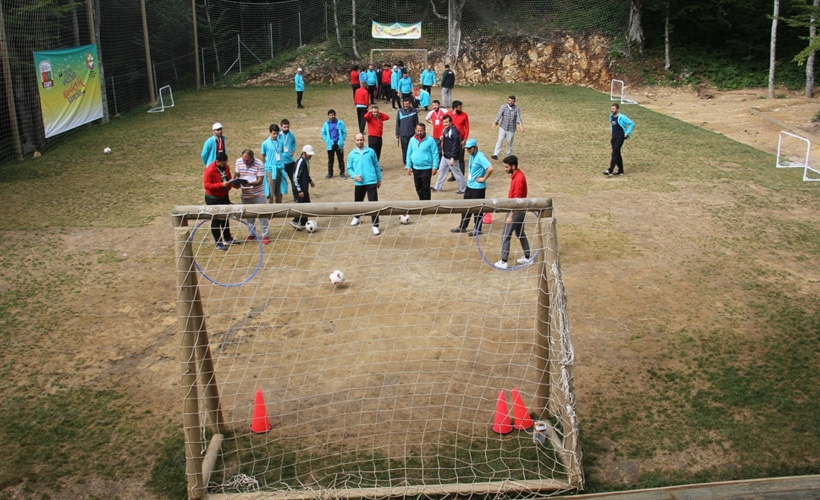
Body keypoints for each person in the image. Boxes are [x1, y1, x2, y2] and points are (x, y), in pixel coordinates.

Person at [495, 155, 531, 269]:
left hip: (515, 211)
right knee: (520, 233)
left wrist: (511, 215)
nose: (505, 169)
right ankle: (527, 257)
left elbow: (517, 200)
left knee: (506, 235)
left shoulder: (519, 179)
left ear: (513, 166)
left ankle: (504, 261)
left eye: (506, 167)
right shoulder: (518, 176)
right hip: (520, 210)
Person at [451, 139, 493, 235]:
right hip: (469, 186)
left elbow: (490, 168)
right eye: (467, 148)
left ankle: (477, 229)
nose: (468, 150)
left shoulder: (480, 156)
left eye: (470, 148)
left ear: (475, 147)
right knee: (466, 207)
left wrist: (484, 178)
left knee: (477, 209)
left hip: (478, 188)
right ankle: (462, 226)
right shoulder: (471, 156)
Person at [203, 152, 240, 250]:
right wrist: (220, 185)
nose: (225, 165)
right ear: (217, 161)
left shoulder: (226, 167)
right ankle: (218, 242)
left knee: (225, 217)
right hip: (213, 198)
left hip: (224, 196)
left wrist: (234, 184)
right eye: (223, 163)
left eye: (226, 162)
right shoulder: (210, 170)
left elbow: (228, 179)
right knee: (216, 220)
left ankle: (227, 237)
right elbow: (207, 185)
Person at [347, 133, 383, 235]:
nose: (359, 142)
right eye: (358, 140)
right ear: (355, 141)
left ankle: (375, 225)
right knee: (358, 202)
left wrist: (379, 179)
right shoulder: (351, 154)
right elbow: (349, 168)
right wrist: (354, 176)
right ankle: (357, 217)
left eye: (361, 140)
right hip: (359, 183)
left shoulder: (371, 152)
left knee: (373, 204)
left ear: (364, 140)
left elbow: (376, 165)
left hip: (371, 181)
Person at [235, 149, 270, 244]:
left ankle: (265, 235)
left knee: (262, 215)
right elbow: (237, 175)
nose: (245, 162)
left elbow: (260, 180)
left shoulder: (259, 164)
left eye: (247, 160)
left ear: (252, 158)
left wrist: (250, 184)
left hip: (258, 194)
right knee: (249, 215)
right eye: (244, 160)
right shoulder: (238, 162)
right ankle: (252, 233)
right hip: (245, 194)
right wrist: (235, 181)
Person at [432, 114, 465, 194]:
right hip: (446, 155)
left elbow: (455, 145)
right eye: (443, 122)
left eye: (446, 122)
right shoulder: (446, 130)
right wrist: (442, 139)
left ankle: (464, 188)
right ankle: (437, 187)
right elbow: (447, 140)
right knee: (442, 171)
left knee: (457, 173)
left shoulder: (453, 132)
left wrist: (452, 157)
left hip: (451, 156)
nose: (445, 124)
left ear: (450, 122)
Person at [405, 123, 439, 201]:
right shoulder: (412, 140)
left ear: (424, 130)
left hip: (426, 168)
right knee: (418, 187)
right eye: (418, 131)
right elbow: (409, 153)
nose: (419, 132)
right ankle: (421, 201)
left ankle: (427, 203)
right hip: (416, 168)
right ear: (415, 130)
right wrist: (408, 166)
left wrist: (435, 167)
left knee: (425, 188)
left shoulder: (430, 140)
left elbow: (435, 154)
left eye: (421, 131)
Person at [604, 103, 635, 176]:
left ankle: (610, 170)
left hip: (620, 136)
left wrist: (627, 133)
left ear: (617, 109)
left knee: (614, 153)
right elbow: (612, 126)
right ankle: (621, 170)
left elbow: (632, 124)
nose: (612, 110)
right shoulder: (611, 117)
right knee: (617, 153)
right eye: (611, 109)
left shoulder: (622, 117)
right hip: (614, 137)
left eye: (613, 109)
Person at [261, 123, 288, 204]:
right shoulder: (265, 143)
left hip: (279, 168)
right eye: (274, 133)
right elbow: (263, 155)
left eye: (277, 133)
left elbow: (281, 153)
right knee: (270, 192)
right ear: (270, 132)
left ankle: (279, 208)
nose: (275, 135)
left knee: (279, 191)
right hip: (270, 170)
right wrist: (263, 167)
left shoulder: (281, 142)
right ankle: (269, 209)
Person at [291, 145, 316, 229]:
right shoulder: (300, 162)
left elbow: (305, 174)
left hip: (304, 189)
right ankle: (295, 220)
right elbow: (295, 177)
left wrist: (310, 181)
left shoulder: (306, 161)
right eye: (309, 154)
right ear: (304, 153)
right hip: (299, 189)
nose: (310, 156)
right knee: (301, 206)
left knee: (307, 204)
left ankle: (304, 222)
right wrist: (299, 190)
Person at [491, 95, 524, 159]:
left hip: (511, 129)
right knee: (500, 140)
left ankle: (508, 156)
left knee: (509, 142)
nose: (511, 102)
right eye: (510, 101)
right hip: (503, 127)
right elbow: (499, 115)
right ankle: (496, 154)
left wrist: (521, 127)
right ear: (508, 100)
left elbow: (519, 118)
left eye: (512, 101)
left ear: (514, 101)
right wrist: (495, 123)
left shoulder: (516, 108)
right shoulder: (504, 107)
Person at [320, 109, 347, 179]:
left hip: (339, 144)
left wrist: (342, 140)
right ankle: (330, 173)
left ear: (335, 115)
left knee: (340, 159)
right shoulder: (326, 124)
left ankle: (342, 173)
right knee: (330, 160)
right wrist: (327, 140)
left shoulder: (340, 123)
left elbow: (344, 132)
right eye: (330, 115)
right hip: (330, 145)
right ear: (328, 116)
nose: (332, 116)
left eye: (333, 115)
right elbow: (323, 133)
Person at [395, 97, 419, 166]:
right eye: (405, 104)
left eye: (407, 104)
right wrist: (397, 133)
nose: (406, 106)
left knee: (412, 148)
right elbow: (397, 123)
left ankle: (412, 161)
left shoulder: (414, 111)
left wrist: (417, 132)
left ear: (410, 103)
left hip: (412, 133)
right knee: (404, 149)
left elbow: (416, 122)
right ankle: (406, 162)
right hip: (403, 134)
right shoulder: (400, 111)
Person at [450, 100, 470, 175]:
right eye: (459, 107)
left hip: (460, 139)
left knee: (460, 158)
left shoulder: (464, 115)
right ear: (454, 108)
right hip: (451, 139)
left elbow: (467, 128)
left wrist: (465, 139)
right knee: (452, 157)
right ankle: (453, 175)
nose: (461, 109)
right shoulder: (448, 115)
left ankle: (461, 174)